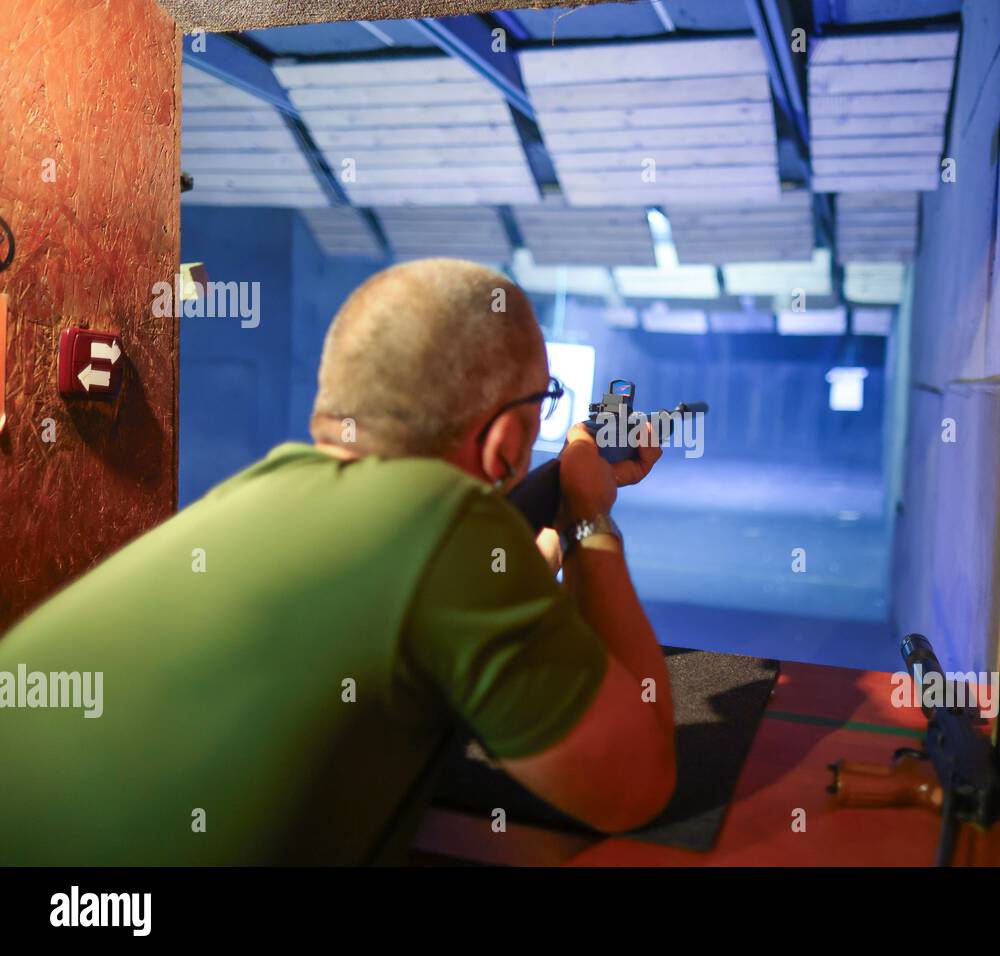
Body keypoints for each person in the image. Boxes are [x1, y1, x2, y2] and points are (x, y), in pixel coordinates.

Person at [0, 258, 675, 864]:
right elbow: (636, 783)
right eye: (541, 404)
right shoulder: (450, 529)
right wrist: (591, 512)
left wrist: (551, 522)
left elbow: (424, 600)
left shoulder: (256, 494)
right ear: (506, 440)